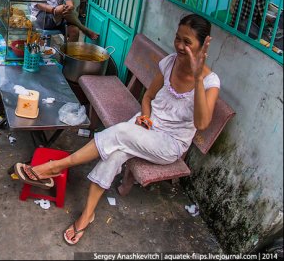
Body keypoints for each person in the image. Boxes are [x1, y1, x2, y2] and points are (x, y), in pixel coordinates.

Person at [12, 13, 220, 245]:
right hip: (146, 127)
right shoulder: (170, 62)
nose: (180, 46)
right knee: (115, 153)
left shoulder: (210, 82)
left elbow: (202, 123)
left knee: (120, 134)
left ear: (203, 45)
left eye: (188, 42)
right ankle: (87, 215)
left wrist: (198, 75)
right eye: (177, 39)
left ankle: (56, 166)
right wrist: (146, 117)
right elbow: (148, 97)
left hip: (169, 144)